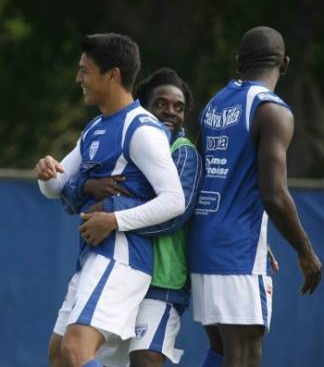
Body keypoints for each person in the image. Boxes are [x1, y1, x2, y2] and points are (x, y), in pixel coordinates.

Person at [34, 34, 185, 367]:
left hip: (122, 258)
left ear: (112, 75)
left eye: (85, 71)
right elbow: (58, 185)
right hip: (95, 255)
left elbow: (174, 200)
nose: (79, 79)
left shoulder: (142, 128)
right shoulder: (94, 128)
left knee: (75, 349)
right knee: (59, 355)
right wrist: (47, 173)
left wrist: (114, 219)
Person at [188, 26, 322, 367]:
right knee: (245, 352)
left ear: (238, 63)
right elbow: (273, 193)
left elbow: (211, 179)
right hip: (236, 251)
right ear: (285, 64)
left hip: (205, 243)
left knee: (221, 350)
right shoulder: (273, 110)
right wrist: (306, 252)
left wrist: (262, 238)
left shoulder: (215, 104)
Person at [61, 67, 202, 367]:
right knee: (85, 355)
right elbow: (73, 194)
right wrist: (87, 186)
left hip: (161, 281)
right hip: (124, 273)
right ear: (143, 107)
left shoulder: (183, 152)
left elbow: (174, 214)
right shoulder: (131, 138)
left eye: (179, 107)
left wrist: (112, 212)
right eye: (161, 103)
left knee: (145, 360)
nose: (170, 111)